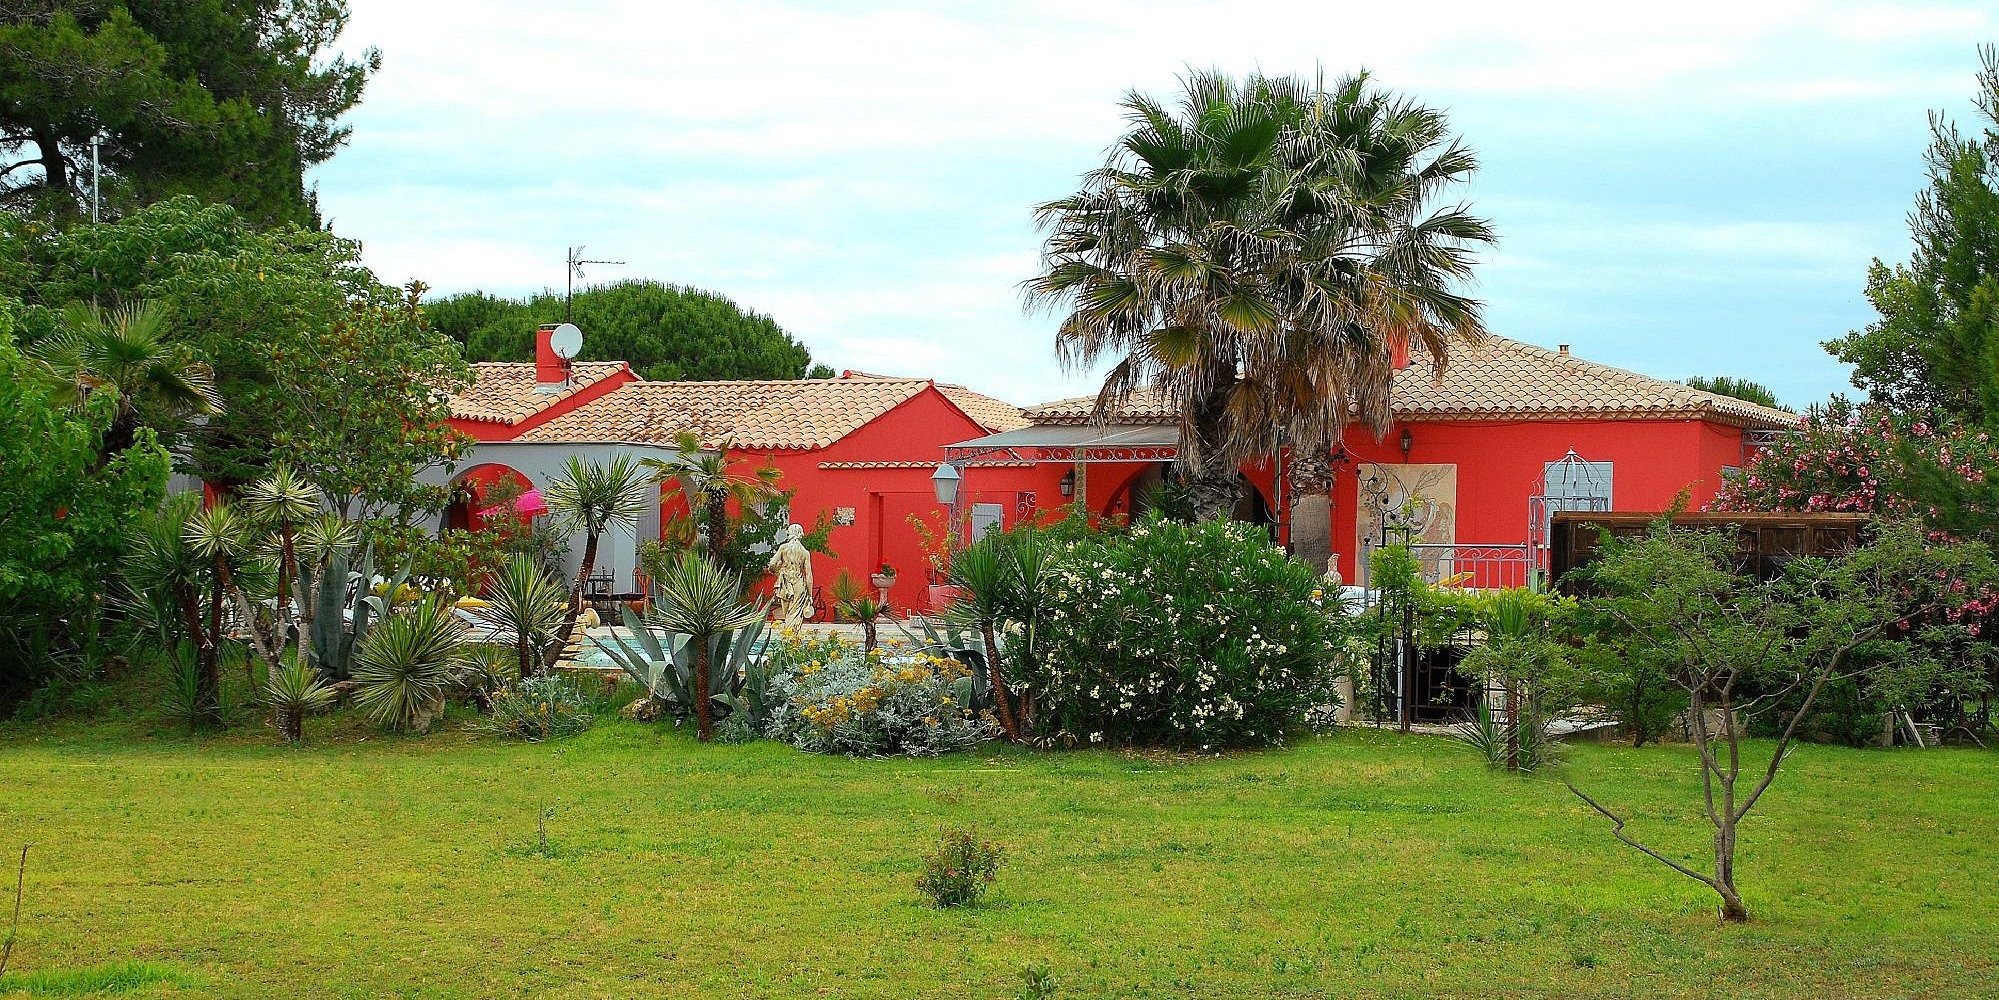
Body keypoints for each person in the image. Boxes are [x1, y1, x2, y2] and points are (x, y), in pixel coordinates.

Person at [768, 523, 815, 628]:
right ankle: (793, 638)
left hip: (785, 583)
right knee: (795, 614)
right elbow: (809, 575)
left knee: (787, 613)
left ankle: (788, 638)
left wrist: (777, 572)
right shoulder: (804, 552)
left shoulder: (783, 548)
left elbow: (771, 564)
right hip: (799, 584)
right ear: (800, 534)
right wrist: (810, 594)